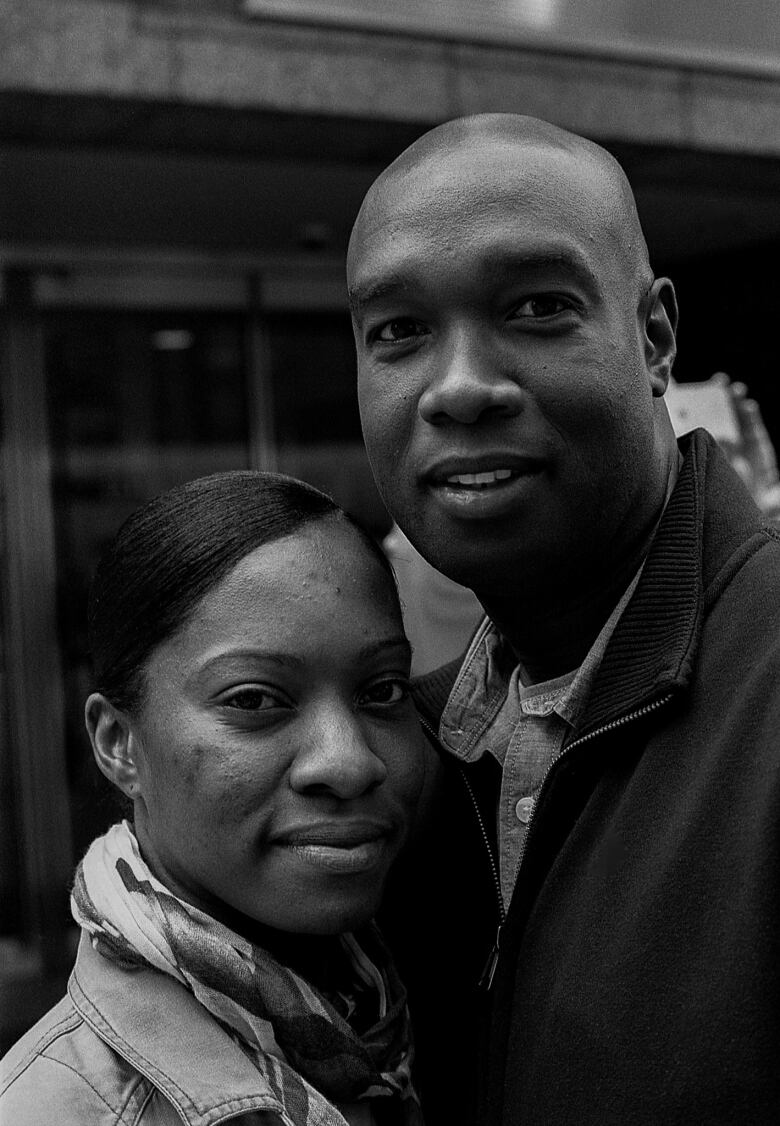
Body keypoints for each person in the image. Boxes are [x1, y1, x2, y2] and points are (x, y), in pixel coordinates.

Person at [347, 113, 780, 1125]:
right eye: (399, 331)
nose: (457, 388)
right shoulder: (400, 754)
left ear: (656, 336)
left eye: (538, 306)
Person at [0, 471, 430, 1126]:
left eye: (383, 691)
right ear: (119, 743)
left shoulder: (425, 1016)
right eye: (254, 700)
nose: (347, 763)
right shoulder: (54, 1110)